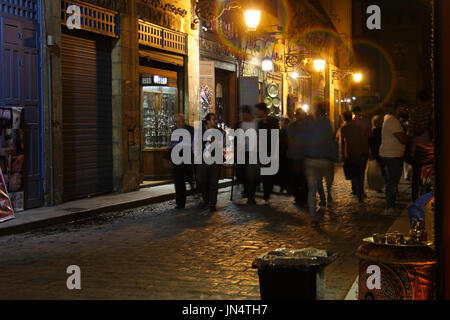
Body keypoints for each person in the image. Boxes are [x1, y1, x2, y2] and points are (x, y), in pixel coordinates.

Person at [301, 101, 338, 219]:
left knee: (312, 189)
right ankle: (329, 201)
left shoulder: (307, 123)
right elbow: (330, 140)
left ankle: (313, 216)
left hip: (311, 159)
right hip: (324, 158)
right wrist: (334, 157)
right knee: (329, 183)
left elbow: (303, 140)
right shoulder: (327, 123)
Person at [380, 100, 409, 215]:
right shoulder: (392, 121)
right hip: (392, 155)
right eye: (404, 109)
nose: (406, 111)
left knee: (392, 181)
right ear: (398, 108)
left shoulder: (393, 121)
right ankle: (389, 207)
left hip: (392, 154)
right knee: (393, 182)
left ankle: (390, 205)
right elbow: (402, 139)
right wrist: (409, 137)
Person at [408, 90, 433, 201]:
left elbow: (411, 131)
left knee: (416, 176)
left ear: (419, 99)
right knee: (428, 174)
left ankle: (415, 199)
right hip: (432, 148)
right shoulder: (433, 110)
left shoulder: (415, 112)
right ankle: (428, 197)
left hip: (418, 148)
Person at [197, 113, 224, 212]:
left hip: (215, 159)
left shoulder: (220, 131)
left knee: (214, 182)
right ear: (208, 121)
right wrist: (208, 142)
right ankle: (205, 197)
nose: (216, 121)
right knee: (201, 181)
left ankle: (212, 203)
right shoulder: (201, 131)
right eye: (214, 119)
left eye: (216, 119)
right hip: (203, 159)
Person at [255, 103, 279, 205]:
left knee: (269, 174)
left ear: (263, 111)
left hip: (272, 151)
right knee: (265, 174)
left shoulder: (273, 121)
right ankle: (266, 196)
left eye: (258, 110)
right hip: (263, 151)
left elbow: (276, 136)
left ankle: (266, 196)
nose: (256, 112)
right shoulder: (260, 123)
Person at [234, 106, 259, 205]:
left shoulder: (256, 123)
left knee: (251, 174)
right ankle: (247, 191)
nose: (241, 116)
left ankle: (250, 196)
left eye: (242, 114)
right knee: (242, 173)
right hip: (242, 152)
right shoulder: (239, 124)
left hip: (253, 152)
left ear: (247, 114)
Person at [340, 111, 365, 202]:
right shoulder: (357, 127)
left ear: (344, 118)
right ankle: (360, 192)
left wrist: (342, 154)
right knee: (359, 174)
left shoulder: (344, 128)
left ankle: (356, 191)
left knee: (353, 174)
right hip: (359, 152)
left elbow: (342, 142)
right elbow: (362, 139)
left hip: (350, 153)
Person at [170, 114, 194, 209]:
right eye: (176, 122)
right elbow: (171, 144)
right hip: (177, 156)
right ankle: (180, 202)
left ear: (183, 121)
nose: (177, 124)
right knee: (178, 180)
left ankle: (195, 192)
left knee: (190, 177)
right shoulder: (174, 130)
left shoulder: (190, 130)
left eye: (179, 121)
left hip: (188, 155)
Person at [287, 108, 308, 207]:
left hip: (304, 155)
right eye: (302, 115)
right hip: (296, 155)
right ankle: (298, 197)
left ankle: (303, 197)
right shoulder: (292, 126)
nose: (303, 116)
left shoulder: (307, 125)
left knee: (304, 178)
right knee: (297, 177)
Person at [352, 106, 372, 197]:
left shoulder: (351, 122)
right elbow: (369, 135)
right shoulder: (366, 121)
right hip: (364, 148)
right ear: (360, 112)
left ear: (353, 112)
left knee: (354, 169)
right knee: (362, 171)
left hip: (354, 150)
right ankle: (360, 190)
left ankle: (354, 189)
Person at [369, 115, 385, 192]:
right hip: (383, 151)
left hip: (375, 151)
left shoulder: (372, 131)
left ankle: (378, 186)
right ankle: (386, 183)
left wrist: (371, 152)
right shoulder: (383, 130)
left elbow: (370, 142)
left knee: (378, 169)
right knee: (383, 168)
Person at [277, 117, 290, 193]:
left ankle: (284, 186)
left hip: (285, 154)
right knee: (283, 171)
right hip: (282, 154)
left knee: (285, 171)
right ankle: (283, 186)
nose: (280, 124)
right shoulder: (281, 131)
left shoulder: (286, 132)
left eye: (282, 122)